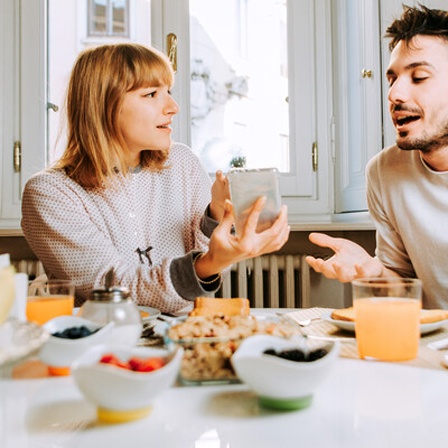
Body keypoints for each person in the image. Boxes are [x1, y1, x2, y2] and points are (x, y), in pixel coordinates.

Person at [21, 43, 290, 314]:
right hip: (105, 344)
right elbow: (114, 289)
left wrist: (216, 219)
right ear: (103, 105)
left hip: (183, 335)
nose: (173, 107)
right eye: (151, 94)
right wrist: (208, 263)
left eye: (168, 91)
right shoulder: (50, 192)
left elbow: (203, 263)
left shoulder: (182, 162)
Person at [306, 4, 448, 309]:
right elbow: (404, 288)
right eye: (392, 78)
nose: (395, 94)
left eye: (419, 77)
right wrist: (375, 272)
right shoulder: (384, 172)